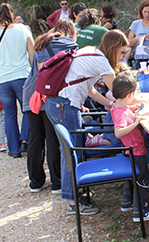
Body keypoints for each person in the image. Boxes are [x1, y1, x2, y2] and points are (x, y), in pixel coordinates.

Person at [45, 32, 127, 215]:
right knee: (71, 152)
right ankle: (73, 201)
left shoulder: (90, 51)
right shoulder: (101, 61)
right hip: (66, 105)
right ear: (114, 47)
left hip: (57, 103)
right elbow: (118, 91)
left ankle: (75, 194)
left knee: (71, 150)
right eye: (122, 51)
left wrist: (108, 104)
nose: (123, 56)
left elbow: (89, 88)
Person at [22, 19, 77, 194]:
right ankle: (57, 182)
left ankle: (36, 182)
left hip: (31, 94)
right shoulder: (68, 45)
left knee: (35, 138)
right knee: (52, 138)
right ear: (70, 31)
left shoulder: (42, 42)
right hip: (48, 94)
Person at [0, 3, 34, 158]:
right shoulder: (23, 29)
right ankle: (25, 140)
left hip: (1, 78)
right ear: (12, 14)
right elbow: (32, 54)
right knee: (27, 110)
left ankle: (13, 149)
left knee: (9, 114)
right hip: (22, 75)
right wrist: (35, 74)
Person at [111, 72, 149, 222]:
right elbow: (118, 132)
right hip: (137, 151)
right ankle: (140, 211)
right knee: (143, 180)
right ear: (130, 95)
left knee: (132, 177)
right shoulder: (121, 114)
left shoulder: (117, 107)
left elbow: (123, 111)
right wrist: (135, 123)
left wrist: (132, 110)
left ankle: (127, 202)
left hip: (130, 151)